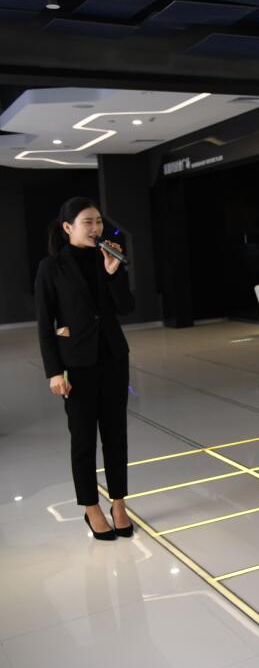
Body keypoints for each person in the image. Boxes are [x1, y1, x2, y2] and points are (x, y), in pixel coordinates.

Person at [35, 197, 135, 541]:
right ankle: (91, 507)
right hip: (76, 364)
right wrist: (54, 371)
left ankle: (119, 503)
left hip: (113, 358)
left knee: (116, 436)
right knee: (82, 439)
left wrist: (114, 273)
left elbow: (126, 307)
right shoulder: (51, 267)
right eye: (87, 223)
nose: (96, 228)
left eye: (98, 222)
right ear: (68, 228)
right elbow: (45, 324)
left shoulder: (107, 258)